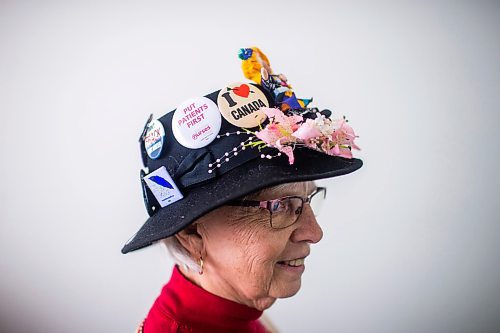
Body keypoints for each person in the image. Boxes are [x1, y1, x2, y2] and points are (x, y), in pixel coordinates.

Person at [123, 47, 363, 333]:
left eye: (307, 199)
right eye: (281, 205)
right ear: (192, 234)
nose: (315, 233)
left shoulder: (244, 313)